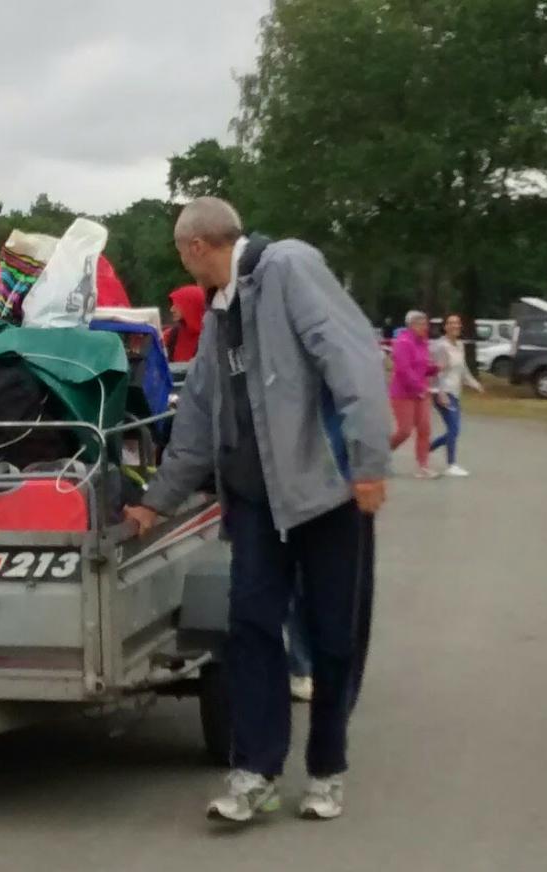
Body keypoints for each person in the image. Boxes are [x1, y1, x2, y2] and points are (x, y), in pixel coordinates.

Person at [124, 197, 391, 823]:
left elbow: (352, 361)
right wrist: (153, 503)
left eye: (182, 256)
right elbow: (195, 421)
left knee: (331, 636)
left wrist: (369, 462)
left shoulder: (290, 268)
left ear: (195, 247)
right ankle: (255, 771)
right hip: (253, 504)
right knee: (249, 630)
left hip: (325, 496)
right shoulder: (219, 314)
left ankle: (327, 769)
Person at [430, 313, 484, 477]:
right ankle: (451, 464)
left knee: (454, 430)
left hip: (454, 392)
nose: (455, 326)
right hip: (442, 393)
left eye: (457, 323)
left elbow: (463, 370)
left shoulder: (459, 345)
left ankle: (426, 449)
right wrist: (440, 392)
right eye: (451, 323)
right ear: (445, 326)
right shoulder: (440, 346)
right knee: (454, 429)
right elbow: (435, 372)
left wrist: (475, 384)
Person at [389, 310, 439, 478]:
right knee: (404, 431)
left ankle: (423, 466)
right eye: (422, 324)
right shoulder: (403, 342)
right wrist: (418, 387)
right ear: (412, 325)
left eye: (426, 324)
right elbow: (403, 370)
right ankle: (380, 457)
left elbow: (422, 367)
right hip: (403, 393)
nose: (426, 327)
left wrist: (435, 368)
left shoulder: (423, 342)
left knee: (425, 429)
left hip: (420, 393)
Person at [162, 285, 206, 362]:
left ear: (191, 306)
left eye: (177, 305)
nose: (171, 310)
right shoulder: (171, 335)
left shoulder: (211, 338)